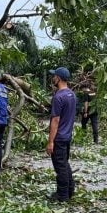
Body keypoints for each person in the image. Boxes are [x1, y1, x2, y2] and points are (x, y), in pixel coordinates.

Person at [46, 67, 77, 202]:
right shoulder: (72, 95)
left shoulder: (58, 96)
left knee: (60, 167)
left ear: (58, 78)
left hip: (58, 137)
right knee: (64, 163)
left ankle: (62, 195)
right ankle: (70, 190)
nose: (52, 78)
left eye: (54, 76)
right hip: (67, 136)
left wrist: (50, 141)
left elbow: (55, 120)